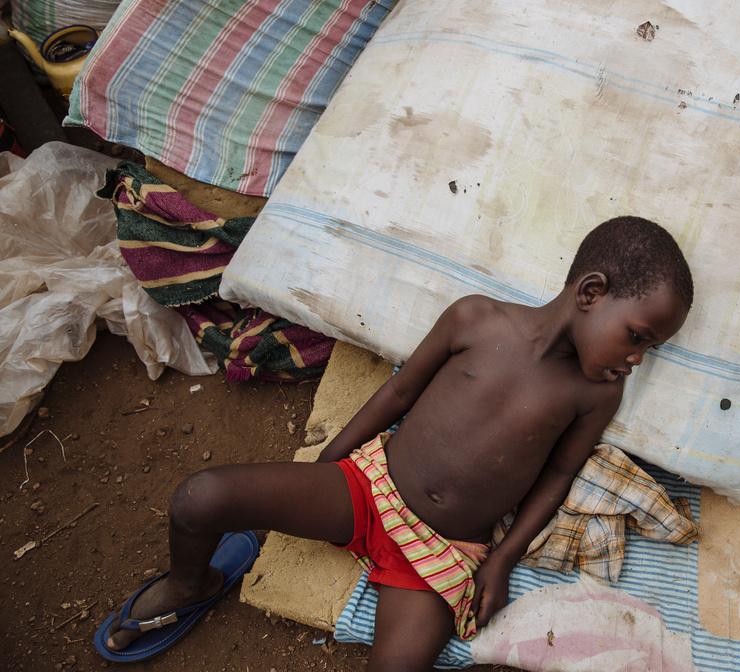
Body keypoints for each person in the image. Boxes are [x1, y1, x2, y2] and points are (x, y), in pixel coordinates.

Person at [96, 215, 693, 670]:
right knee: (200, 498)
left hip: (440, 552)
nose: (635, 361)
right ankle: (188, 583)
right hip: (365, 487)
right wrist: (331, 464)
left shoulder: (596, 395)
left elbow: (559, 476)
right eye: (636, 337)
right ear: (590, 292)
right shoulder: (476, 320)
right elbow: (398, 393)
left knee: (399, 666)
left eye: (650, 351)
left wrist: (503, 558)